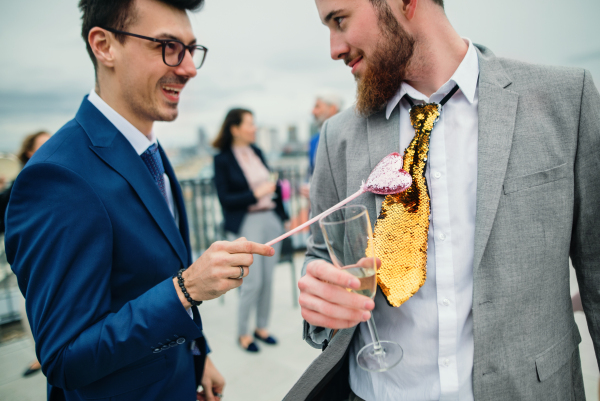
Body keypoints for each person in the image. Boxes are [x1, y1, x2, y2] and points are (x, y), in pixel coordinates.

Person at [285, 0, 600, 400]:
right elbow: (322, 256)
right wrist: (320, 296)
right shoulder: (337, 137)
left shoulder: (566, 100)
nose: (334, 47)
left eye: (340, 20)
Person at [5, 1, 275, 400]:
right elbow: (64, 358)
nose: (188, 68)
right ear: (104, 46)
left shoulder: (149, 151)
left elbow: (149, 277)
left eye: (189, 49)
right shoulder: (58, 177)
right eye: (166, 46)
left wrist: (198, 356)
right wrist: (185, 289)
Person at [213, 108, 287, 353]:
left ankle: (262, 328)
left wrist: (282, 215)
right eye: (250, 124)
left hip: (271, 219)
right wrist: (256, 193)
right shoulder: (222, 159)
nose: (254, 128)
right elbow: (225, 199)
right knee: (252, 282)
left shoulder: (257, 151)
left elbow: (271, 186)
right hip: (248, 222)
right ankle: (243, 333)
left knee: (267, 280)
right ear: (235, 129)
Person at [0, 130, 50, 377]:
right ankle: (43, 355)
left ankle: (47, 353)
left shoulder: (60, 176)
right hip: (33, 257)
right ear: (29, 152)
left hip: (54, 253)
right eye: (42, 144)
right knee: (29, 307)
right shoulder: (23, 182)